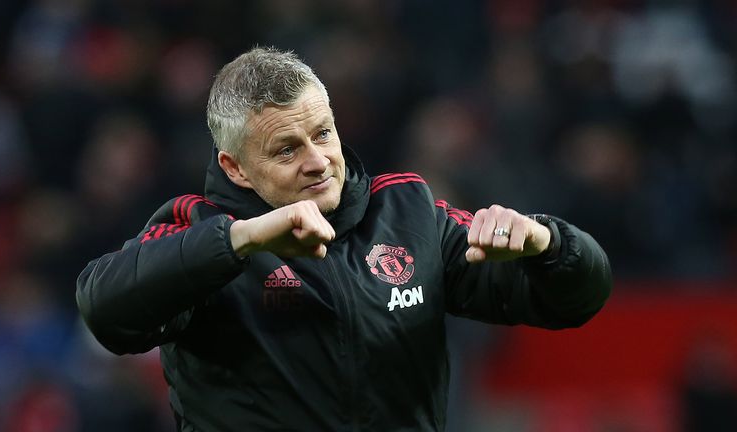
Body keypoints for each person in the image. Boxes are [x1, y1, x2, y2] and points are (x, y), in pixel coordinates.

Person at [76, 47, 612, 431]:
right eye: (286, 150)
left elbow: (575, 301)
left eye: (323, 134)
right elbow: (105, 307)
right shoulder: (198, 228)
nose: (317, 162)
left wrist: (550, 245)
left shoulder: (405, 211)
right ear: (235, 168)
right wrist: (239, 242)